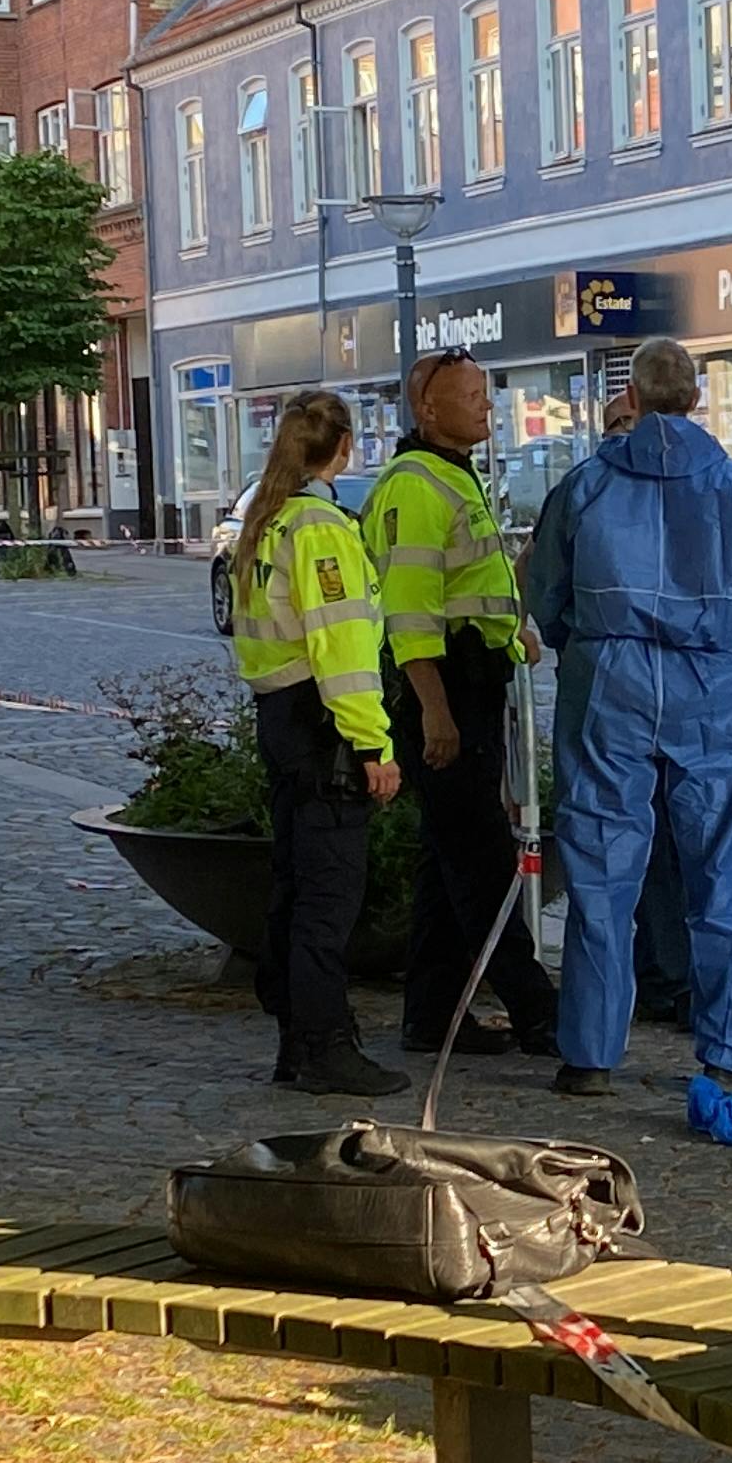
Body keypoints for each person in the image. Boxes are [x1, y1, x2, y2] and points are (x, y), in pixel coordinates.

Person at [536, 337, 732, 1098]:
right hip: (711, 682)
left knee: (601, 866)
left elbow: (545, 594)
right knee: (720, 868)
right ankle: (729, 1047)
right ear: (696, 399)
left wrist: (589, 644)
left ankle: (589, 1052)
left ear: (636, 399)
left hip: (609, 679)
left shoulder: (586, 485)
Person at [372, 346, 560, 1058]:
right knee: (481, 860)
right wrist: (434, 710)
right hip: (443, 689)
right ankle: (539, 1010)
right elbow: (412, 613)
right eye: (473, 395)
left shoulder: (453, 475)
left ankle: (428, 1015)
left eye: (486, 392)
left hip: (472, 679)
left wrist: (513, 632)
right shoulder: (417, 485)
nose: (488, 405)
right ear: (429, 408)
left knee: (446, 858)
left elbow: (466, 586)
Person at [228, 391, 411, 1099]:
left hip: (280, 717)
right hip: (324, 723)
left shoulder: (265, 522)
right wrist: (375, 748)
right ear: (343, 448)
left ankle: (298, 1041)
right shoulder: (321, 529)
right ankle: (327, 1046)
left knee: (298, 887)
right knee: (330, 899)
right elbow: (343, 648)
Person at [528, 389, 696, 1026]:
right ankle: (613, 1021)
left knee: (670, 853)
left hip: (636, 683)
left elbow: (548, 592)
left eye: (633, 421)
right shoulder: (590, 489)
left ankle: (657, 991)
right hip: (633, 684)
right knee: (607, 859)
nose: (626, 435)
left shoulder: (597, 488)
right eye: (615, 425)